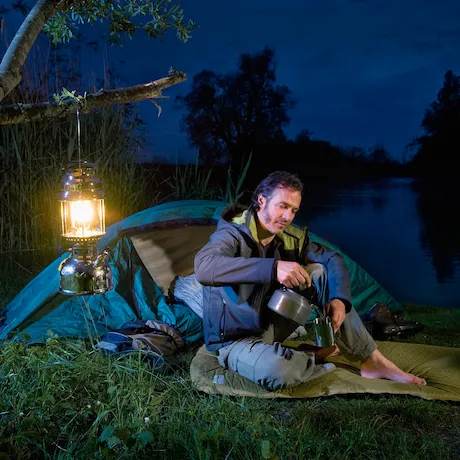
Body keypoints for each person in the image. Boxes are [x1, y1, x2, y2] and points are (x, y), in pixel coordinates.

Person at [194, 171, 427, 390]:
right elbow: (204, 267)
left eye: (294, 210)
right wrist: (273, 268)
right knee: (277, 370)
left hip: (269, 325)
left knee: (319, 271)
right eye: (283, 206)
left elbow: (333, 259)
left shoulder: (288, 237)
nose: (288, 217)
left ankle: (371, 360)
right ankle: (310, 356)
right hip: (234, 340)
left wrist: (339, 300)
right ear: (262, 201)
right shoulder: (231, 234)